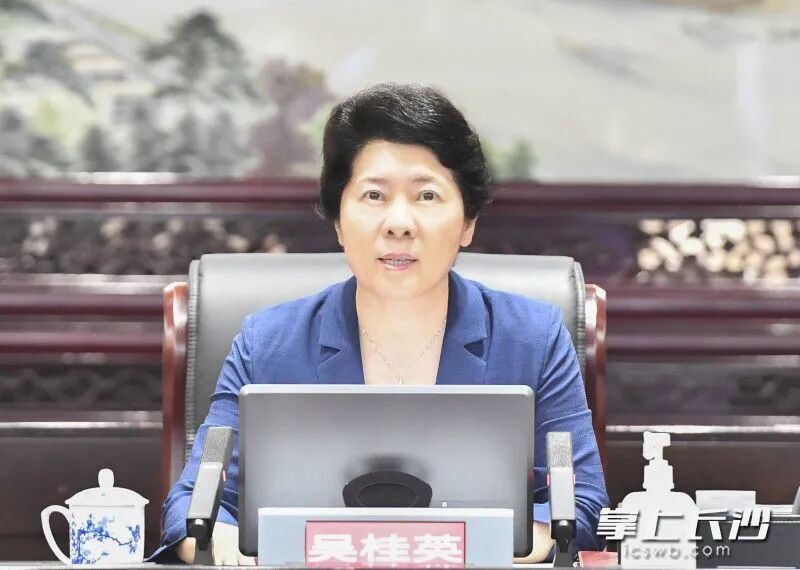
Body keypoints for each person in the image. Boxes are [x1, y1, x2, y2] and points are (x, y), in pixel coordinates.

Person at [154, 82, 608, 564]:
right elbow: (194, 508)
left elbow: (583, 504)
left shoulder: (533, 338)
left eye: (427, 195)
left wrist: (480, 548)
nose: (399, 223)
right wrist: (239, 552)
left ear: (468, 223)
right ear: (338, 220)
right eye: (374, 195)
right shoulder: (267, 343)